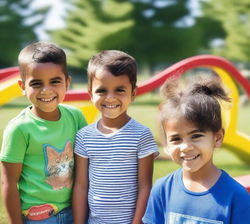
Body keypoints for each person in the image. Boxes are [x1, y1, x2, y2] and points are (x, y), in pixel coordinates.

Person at [143, 75, 250, 224]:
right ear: (166, 145)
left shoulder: (237, 197)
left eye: (196, 136)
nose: (186, 147)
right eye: (176, 139)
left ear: (217, 138)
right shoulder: (162, 190)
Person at [0, 42, 87, 224]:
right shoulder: (19, 129)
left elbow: (87, 165)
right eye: (36, 83)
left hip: (74, 211)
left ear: (67, 83)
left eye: (55, 81)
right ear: (22, 86)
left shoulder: (76, 117)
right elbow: (8, 183)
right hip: (37, 217)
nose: (46, 90)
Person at [73, 50, 159, 224]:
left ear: (133, 93)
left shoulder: (141, 135)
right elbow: (81, 187)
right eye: (102, 91)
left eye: (120, 90)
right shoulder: (84, 136)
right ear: (90, 93)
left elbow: (145, 187)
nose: (110, 98)